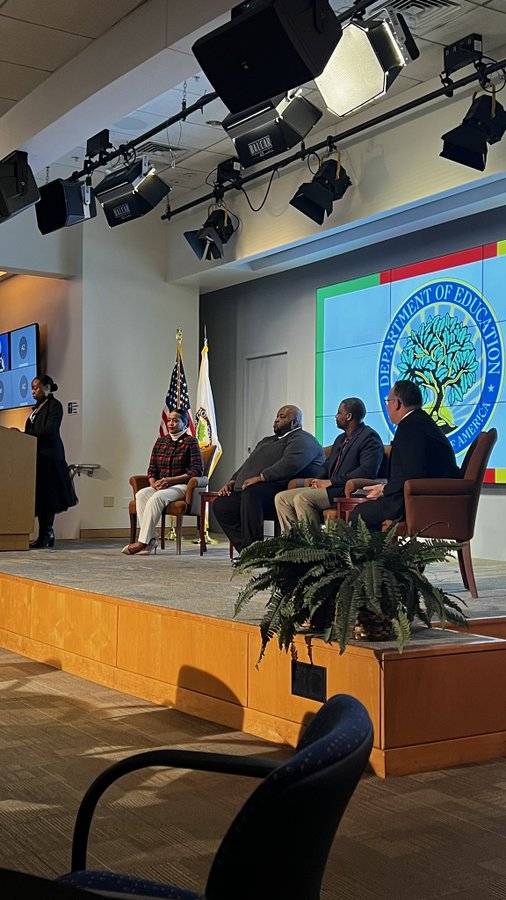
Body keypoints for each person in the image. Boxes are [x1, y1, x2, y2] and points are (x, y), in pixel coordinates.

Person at [213, 404, 326, 553]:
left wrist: (262, 477)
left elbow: (291, 463)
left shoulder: (303, 439)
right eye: (277, 416)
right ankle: (248, 551)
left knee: (252, 494)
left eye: (282, 417)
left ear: (295, 423)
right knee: (222, 504)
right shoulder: (267, 440)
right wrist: (233, 480)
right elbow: (248, 463)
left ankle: (255, 551)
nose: (277, 420)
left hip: (280, 486)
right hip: (255, 487)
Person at [349, 380, 459, 530]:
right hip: (434, 498)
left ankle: (378, 554)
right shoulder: (422, 422)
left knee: (359, 515)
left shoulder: (410, 427)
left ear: (397, 404)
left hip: (420, 502)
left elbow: (413, 474)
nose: (387, 407)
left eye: (388, 402)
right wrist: (384, 488)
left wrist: (386, 491)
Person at [275, 397, 384, 530]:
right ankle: (292, 544)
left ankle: (312, 547)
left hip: (343, 489)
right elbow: (327, 465)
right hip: (330, 488)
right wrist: (317, 479)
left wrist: (332, 482)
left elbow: (367, 472)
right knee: (281, 498)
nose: (336, 416)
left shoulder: (369, 438)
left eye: (339, 413)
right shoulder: (340, 439)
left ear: (348, 416)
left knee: (302, 498)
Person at [122, 408, 203, 555]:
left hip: (181, 486)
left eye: (175, 420)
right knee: (141, 494)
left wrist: (171, 480)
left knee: (157, 497)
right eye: (169, 420)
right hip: (161, 484)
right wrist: (153, 483)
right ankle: (151, 538)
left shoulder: (190, 442)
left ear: (185, 423)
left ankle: (142, 542)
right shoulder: (161, 442)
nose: (171, 423)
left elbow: (197, 470)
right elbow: (152, 469)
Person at [24, 375, 77, 549]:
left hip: (50, 457)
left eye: (37, 387)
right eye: (32, 388)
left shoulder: (55, 406)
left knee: (49, 496)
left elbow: (49, 429)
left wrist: (25, 435)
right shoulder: (37, 408)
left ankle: (46, 533)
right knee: (40, 495)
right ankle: (46, 533)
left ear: (47, 387)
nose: (33, 391)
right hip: (37, 456)